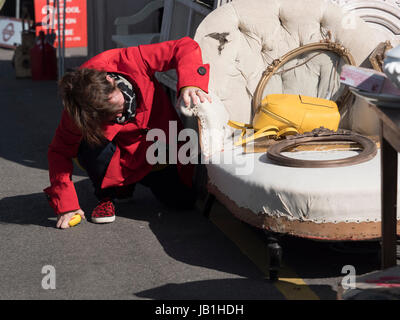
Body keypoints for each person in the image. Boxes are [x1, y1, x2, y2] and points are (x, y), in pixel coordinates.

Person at [44, 37, 211, 229]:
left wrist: (190, 83)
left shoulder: (131, 59)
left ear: (109, 80)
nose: (121, 115)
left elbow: (184, 46)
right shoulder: (78, 110)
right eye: (111, 116)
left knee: (181, 202)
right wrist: (66, 206)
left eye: (117, 109)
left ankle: (130, 183)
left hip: (158, 148)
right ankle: (109, 193)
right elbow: (59, 151)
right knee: (89, 144)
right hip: (118, 156)